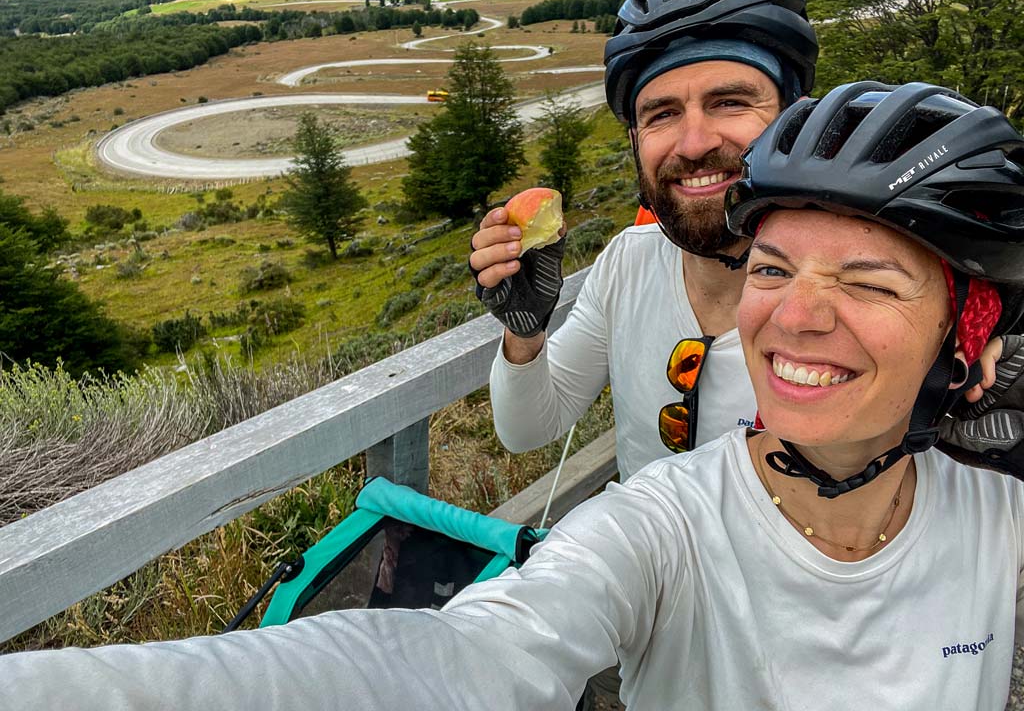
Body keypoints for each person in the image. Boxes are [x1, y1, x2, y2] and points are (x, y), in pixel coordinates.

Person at [4, 81, 1024, 711]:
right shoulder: (653, 500)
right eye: (773, 269)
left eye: (867, 280)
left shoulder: (991, 495)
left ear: (966, 341)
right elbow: (453, 663)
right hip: (658, 596)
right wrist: (523, 337)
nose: (795, 314)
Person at [470, 0, 1024, 481]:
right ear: (635, 141)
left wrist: (984, 342)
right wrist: (525, 335)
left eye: (730, 102)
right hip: (653, 573)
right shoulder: (627, 263)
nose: (693, 143)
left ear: (795, 118)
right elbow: (527, 430)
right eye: (661, 113)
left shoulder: (870, 290)